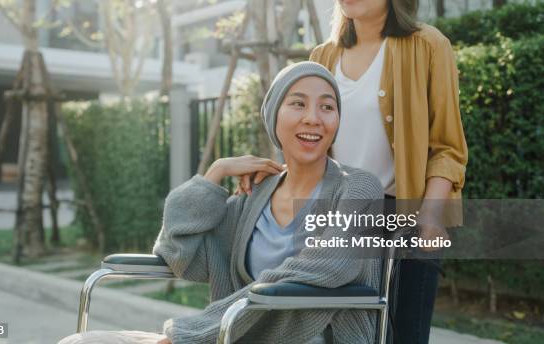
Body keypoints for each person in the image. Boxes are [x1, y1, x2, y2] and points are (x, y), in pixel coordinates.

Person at [58, 61, 384, 344]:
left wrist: (197, 333)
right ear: (274, 118)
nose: (314, 118)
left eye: (327, 107)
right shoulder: (253, 198)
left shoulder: (359, 189)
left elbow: (328, 267)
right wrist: (215, 174)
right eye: (298, 104)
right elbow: (180, 256)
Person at [306, 1, 469, 343]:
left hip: (405, 218)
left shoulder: (428, 45)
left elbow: (448, 148)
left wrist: (430, 217)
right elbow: (306, 145)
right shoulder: (321, 58)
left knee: (402, 336)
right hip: (338, 220)